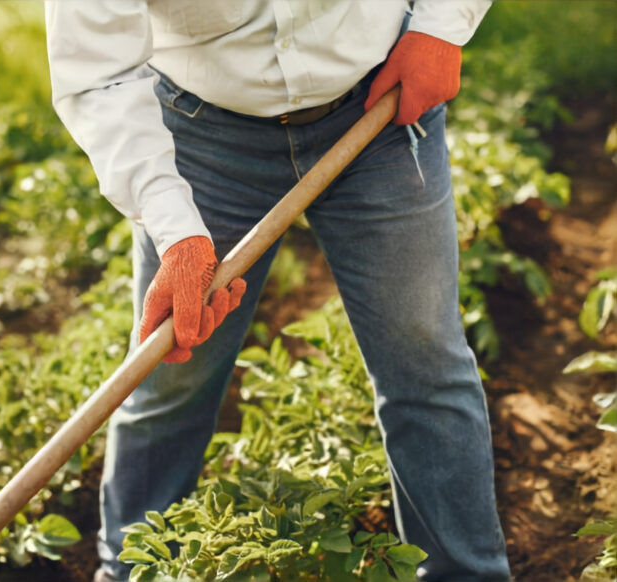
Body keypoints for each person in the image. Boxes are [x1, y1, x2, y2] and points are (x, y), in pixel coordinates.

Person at [44, 2, 511, 581]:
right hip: (202, 135)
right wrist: (176, 228)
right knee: (172, 369)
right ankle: (134, 572)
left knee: (425, 364)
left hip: (377, 103)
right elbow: (99, 73)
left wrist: (442, 26)